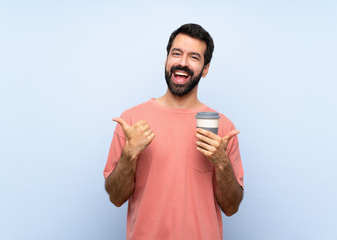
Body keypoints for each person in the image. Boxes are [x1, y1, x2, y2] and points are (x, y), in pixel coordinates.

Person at [103, 23, 244, 240]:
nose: (183, 63)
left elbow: (231, 207)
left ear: (205, 69)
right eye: (176, 54)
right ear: (166, 60)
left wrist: (221, 162)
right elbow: (115, 197)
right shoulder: (132, 121)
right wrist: (129, 154)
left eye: (194, 57)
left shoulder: (222, 127)